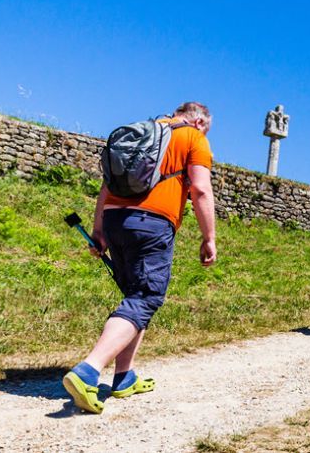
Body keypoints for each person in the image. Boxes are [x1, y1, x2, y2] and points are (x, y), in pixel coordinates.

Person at [62, 102, 218, 414]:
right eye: (208, 128)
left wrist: (98, 229)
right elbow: (200, 190)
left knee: (135, 297)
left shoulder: (143, 131)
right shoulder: (193, 138)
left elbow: (107, 185)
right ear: (199, 120)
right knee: (145, 297)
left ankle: (124, 377)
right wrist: (209, 237)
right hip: (151, 223)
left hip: (114, 221)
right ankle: (89, 370)